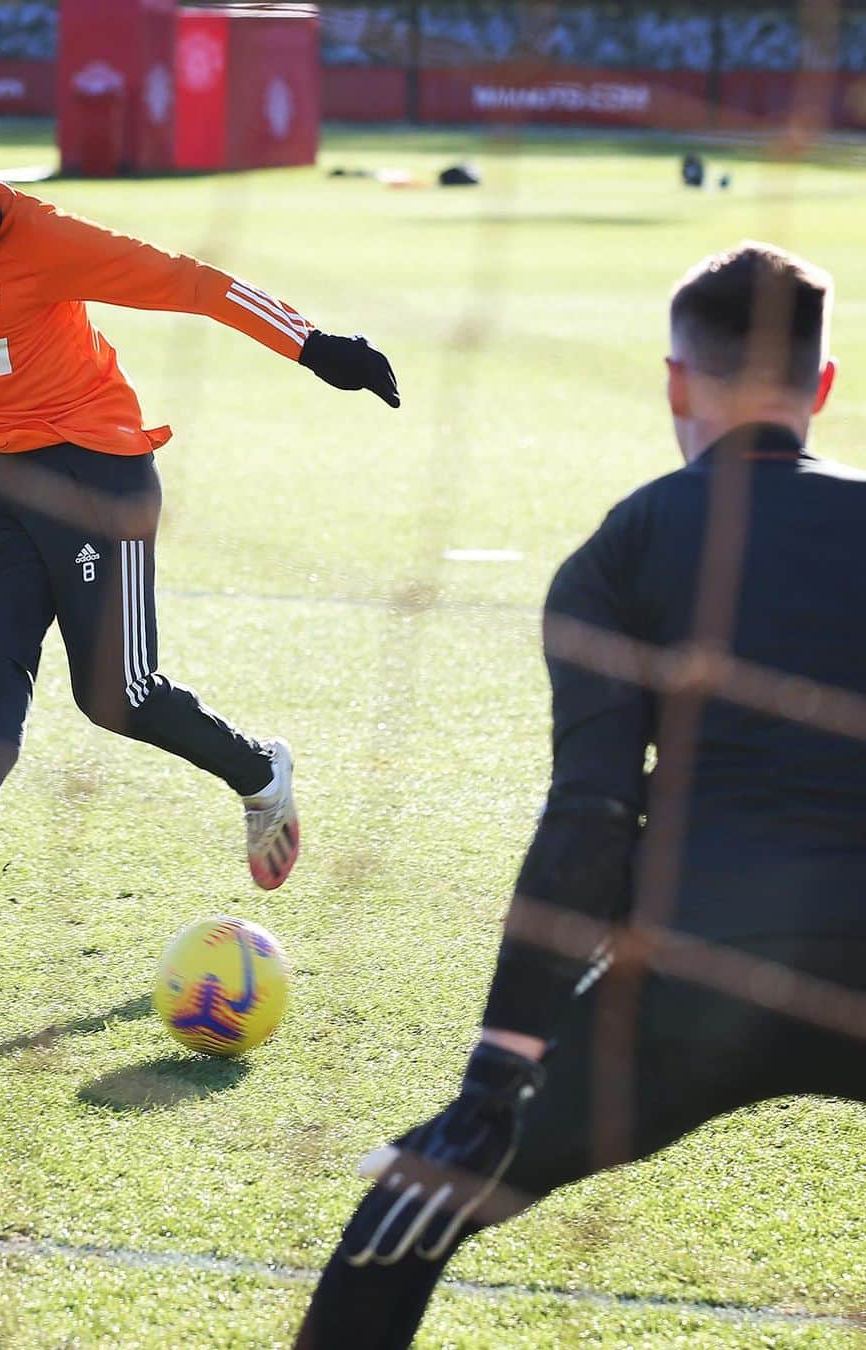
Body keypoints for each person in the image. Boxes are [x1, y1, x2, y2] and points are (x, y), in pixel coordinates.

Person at [294, 241, 866, 1348]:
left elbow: (592, 824)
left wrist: (496, 1077)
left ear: (674, 383)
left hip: (698, 986)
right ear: (825, 388)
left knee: (404, 1211)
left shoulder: (625, 547)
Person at [0, 99, 399, 893]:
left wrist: (313, 345)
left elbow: (190, 283)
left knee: (118, 698)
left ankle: (261, 771)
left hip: (98, 471)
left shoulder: (42, 238)